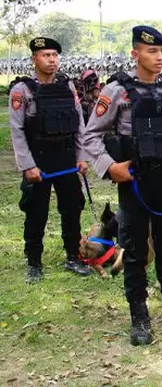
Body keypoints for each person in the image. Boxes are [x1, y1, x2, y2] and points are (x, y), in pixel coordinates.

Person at [83, 26, 162, 345]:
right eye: (152, 51)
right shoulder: (117, 91)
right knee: (136, 251)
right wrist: (110, 167)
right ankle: (139, 318)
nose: (159, 57)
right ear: (135, 54)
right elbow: (90, 136)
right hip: (135, 184)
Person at [9, 37, 91, 283]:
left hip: (66, 158)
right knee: (36, 212)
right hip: (38, 160)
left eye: (55, 55)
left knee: (72, 208)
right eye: (46, 55)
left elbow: (79, 125)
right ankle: (34, 262)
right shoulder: (21, 90)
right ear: (34, 58)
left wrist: (82, 156)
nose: (52, 59)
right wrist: (27, 165)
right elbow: (17, 130)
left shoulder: (68, 87)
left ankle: (73, 257)